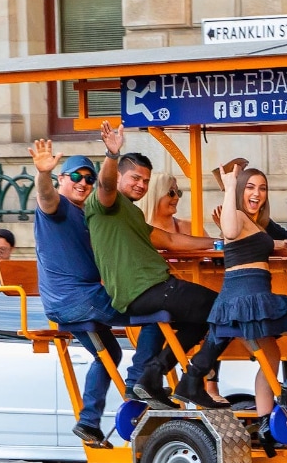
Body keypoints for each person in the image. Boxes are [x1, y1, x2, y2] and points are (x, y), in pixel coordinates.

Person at [83, 121, 230, 411]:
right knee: (227, 309)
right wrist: (112, 155)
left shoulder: (131, 213)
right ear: (121, 176)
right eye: (135, 178)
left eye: (145, 181)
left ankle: (153, 376)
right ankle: (191, 380)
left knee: (199, 319)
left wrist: (220, 242)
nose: (140, 184)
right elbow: (106, 185)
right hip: (147, 288)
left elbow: (171, 239)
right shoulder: (106, 203)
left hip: (151, 288)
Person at [27, 142, 150, 445]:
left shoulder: (87, 214)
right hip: (77, 301)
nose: (83, 183)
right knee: (154, 312)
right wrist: (43, 173)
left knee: (110, 353)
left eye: (90, 178)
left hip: (81, 298)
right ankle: (137, 386)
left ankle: (88, 423)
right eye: (76, 177)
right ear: (62, 179)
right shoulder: (57, 208)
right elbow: (45, 197)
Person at [209, 164, 287, 456]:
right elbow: (230, 230)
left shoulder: (256, 222)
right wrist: (228, 185)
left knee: (271, 355)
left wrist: (281, 243)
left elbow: (262, 240)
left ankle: (265, 421)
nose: (257, 193)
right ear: (239, 192)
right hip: (246, 296)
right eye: (250, 187)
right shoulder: (235, 214)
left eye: (262, 188)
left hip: (257, 295)